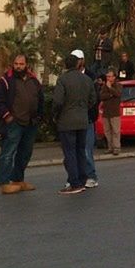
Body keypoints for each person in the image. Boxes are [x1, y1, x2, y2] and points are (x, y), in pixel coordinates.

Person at [0, 54, 45, 194]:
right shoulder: (6, 80)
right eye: (16, 64)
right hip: (13, 123)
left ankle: (17, 180)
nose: (18, 66)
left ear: (26, 64)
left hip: (30, 123)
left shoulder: (34, 80)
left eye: (21, 64)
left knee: (25, 153)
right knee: (8, 153)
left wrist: (39, 116)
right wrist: (7, 116)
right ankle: (4, 183)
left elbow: (41, 99)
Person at [53, 53, 98, 194]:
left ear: (66, 65)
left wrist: (55, 115)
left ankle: (74, 183)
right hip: (83, 120)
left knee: (70, 152)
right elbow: (93, 99)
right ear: (78, 64)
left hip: (67, 121)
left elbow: (58, 101)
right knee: (80, 151)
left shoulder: (63, 80)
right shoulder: (87, 80)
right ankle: (83, 179)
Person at [70, 48, 100, 188]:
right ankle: (76, 177)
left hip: (86, 118)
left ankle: (91, 176)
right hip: (72, 119)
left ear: (82, 61)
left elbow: (94, 98)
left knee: (86, 150)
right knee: (73, 150)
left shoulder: (90, 76)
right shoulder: (68, 76)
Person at [99, 67, 122, 155]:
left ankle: (116, 147)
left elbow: (118, 93)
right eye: (107, 76)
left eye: (110, 76)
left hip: (115, 112)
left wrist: (110, 89)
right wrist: (110, 94)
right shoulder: (104, 86)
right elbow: (101, 96)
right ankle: (110, 147)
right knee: (107, 131)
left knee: (115, 131)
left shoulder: (118, 85)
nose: (108, 78)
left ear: (114, 77)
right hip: (106, 112)